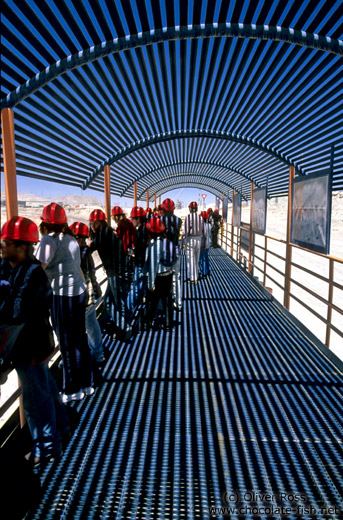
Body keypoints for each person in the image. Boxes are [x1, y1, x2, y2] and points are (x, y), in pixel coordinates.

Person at [0, 216, 70, 466]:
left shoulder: (31, 275)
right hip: (33, 344)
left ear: (21, 246)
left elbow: (14, 311)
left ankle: (47, 447)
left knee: (34, 399)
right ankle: (61, 428)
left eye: (7, 242)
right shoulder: (11, 268)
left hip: (29, 346)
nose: (2, 245)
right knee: (46, 388)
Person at [35, 203, 93, 403]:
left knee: (67, 344)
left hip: (63, 296)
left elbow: (37, 269)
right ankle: (86, 384)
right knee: (79, 339)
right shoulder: (71, 239)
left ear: (45, 223)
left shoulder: (48, 241)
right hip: (78, 292)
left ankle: (71, 390)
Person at [88, 209, 132, 341]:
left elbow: (89, 249)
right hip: (121, 271)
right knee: (113, 301)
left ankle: (125, 328)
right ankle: (123, 326)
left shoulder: (102, 235)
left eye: (94, 223)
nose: (92, 226)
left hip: (115, 274)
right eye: (91, 224)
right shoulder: (109, 232)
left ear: (100, 223)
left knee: (115, 302)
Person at [69, 222, 105, 368]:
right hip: (92, 292)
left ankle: (86, 357)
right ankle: (98, 353)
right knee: (91, 324)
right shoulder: (86, 251)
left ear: (77, 238)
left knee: (82, 327)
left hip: (83, 295)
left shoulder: (76, 253)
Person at [144, 217, 178, 330]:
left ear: (151, 232)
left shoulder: (154, 246)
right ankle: (168, 324)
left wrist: (150, 284)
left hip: (158, 277)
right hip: (168, 275)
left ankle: (148, 323)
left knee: (152, 301)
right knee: (167, 300)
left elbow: (153, 266)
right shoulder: (167, 242)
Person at [160, 198, 182, 311]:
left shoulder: (159, 220)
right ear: (173, 209)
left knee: (161, 280)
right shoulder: (178, 221)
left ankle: (162, 305)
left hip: (163, 254)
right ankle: (178, 303)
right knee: (176, 278)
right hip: (175, 252)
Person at [127, 206, 148, 314]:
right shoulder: (145, 229)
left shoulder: (141, 232)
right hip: (144, 264)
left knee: (135, 289)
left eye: (133, 219)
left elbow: (142, 249)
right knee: (139, 289)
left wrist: (133, 252)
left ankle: (127, 313)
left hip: (141, 264)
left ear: (138, 219)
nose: (131, 221)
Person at [181, 201, 205, 284]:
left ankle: (192, 278)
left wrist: (182, 241)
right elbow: (204, 231)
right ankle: (195, 276)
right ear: (197, 208)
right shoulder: (201, 218)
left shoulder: (188, 217)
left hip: (190, 240)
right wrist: (204, 241)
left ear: (190, 208)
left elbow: (186, 231)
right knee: (196, 259)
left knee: (190, 260)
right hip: (199, 239)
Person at [199, 211, 212, 277]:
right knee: (206, 257)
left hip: (203, 243)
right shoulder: (209, 225)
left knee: (202, 258)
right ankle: (208, 269)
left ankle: (204, 272)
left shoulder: (201, 225)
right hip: (208, 243)